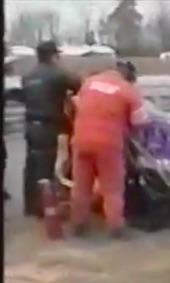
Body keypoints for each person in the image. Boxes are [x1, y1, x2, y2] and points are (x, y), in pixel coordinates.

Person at [70, 60, 148, 239]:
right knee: (112, 188)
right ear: (129, 77)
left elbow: (78, 105)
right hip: (109, 144)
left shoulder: (90, 82)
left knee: (81, 186)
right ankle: (116, 227)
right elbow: (140, 122)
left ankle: (79, 224)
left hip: (81, 140)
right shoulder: (128, 90)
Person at [20, 40, 81, 217]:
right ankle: (44, 209)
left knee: (31, 164)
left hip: (30, 126)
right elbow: (79, 84)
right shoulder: (58, 74)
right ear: (54, 56)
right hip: (48, 126)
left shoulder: (27, 76)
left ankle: (30, 207)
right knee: (45, 166)